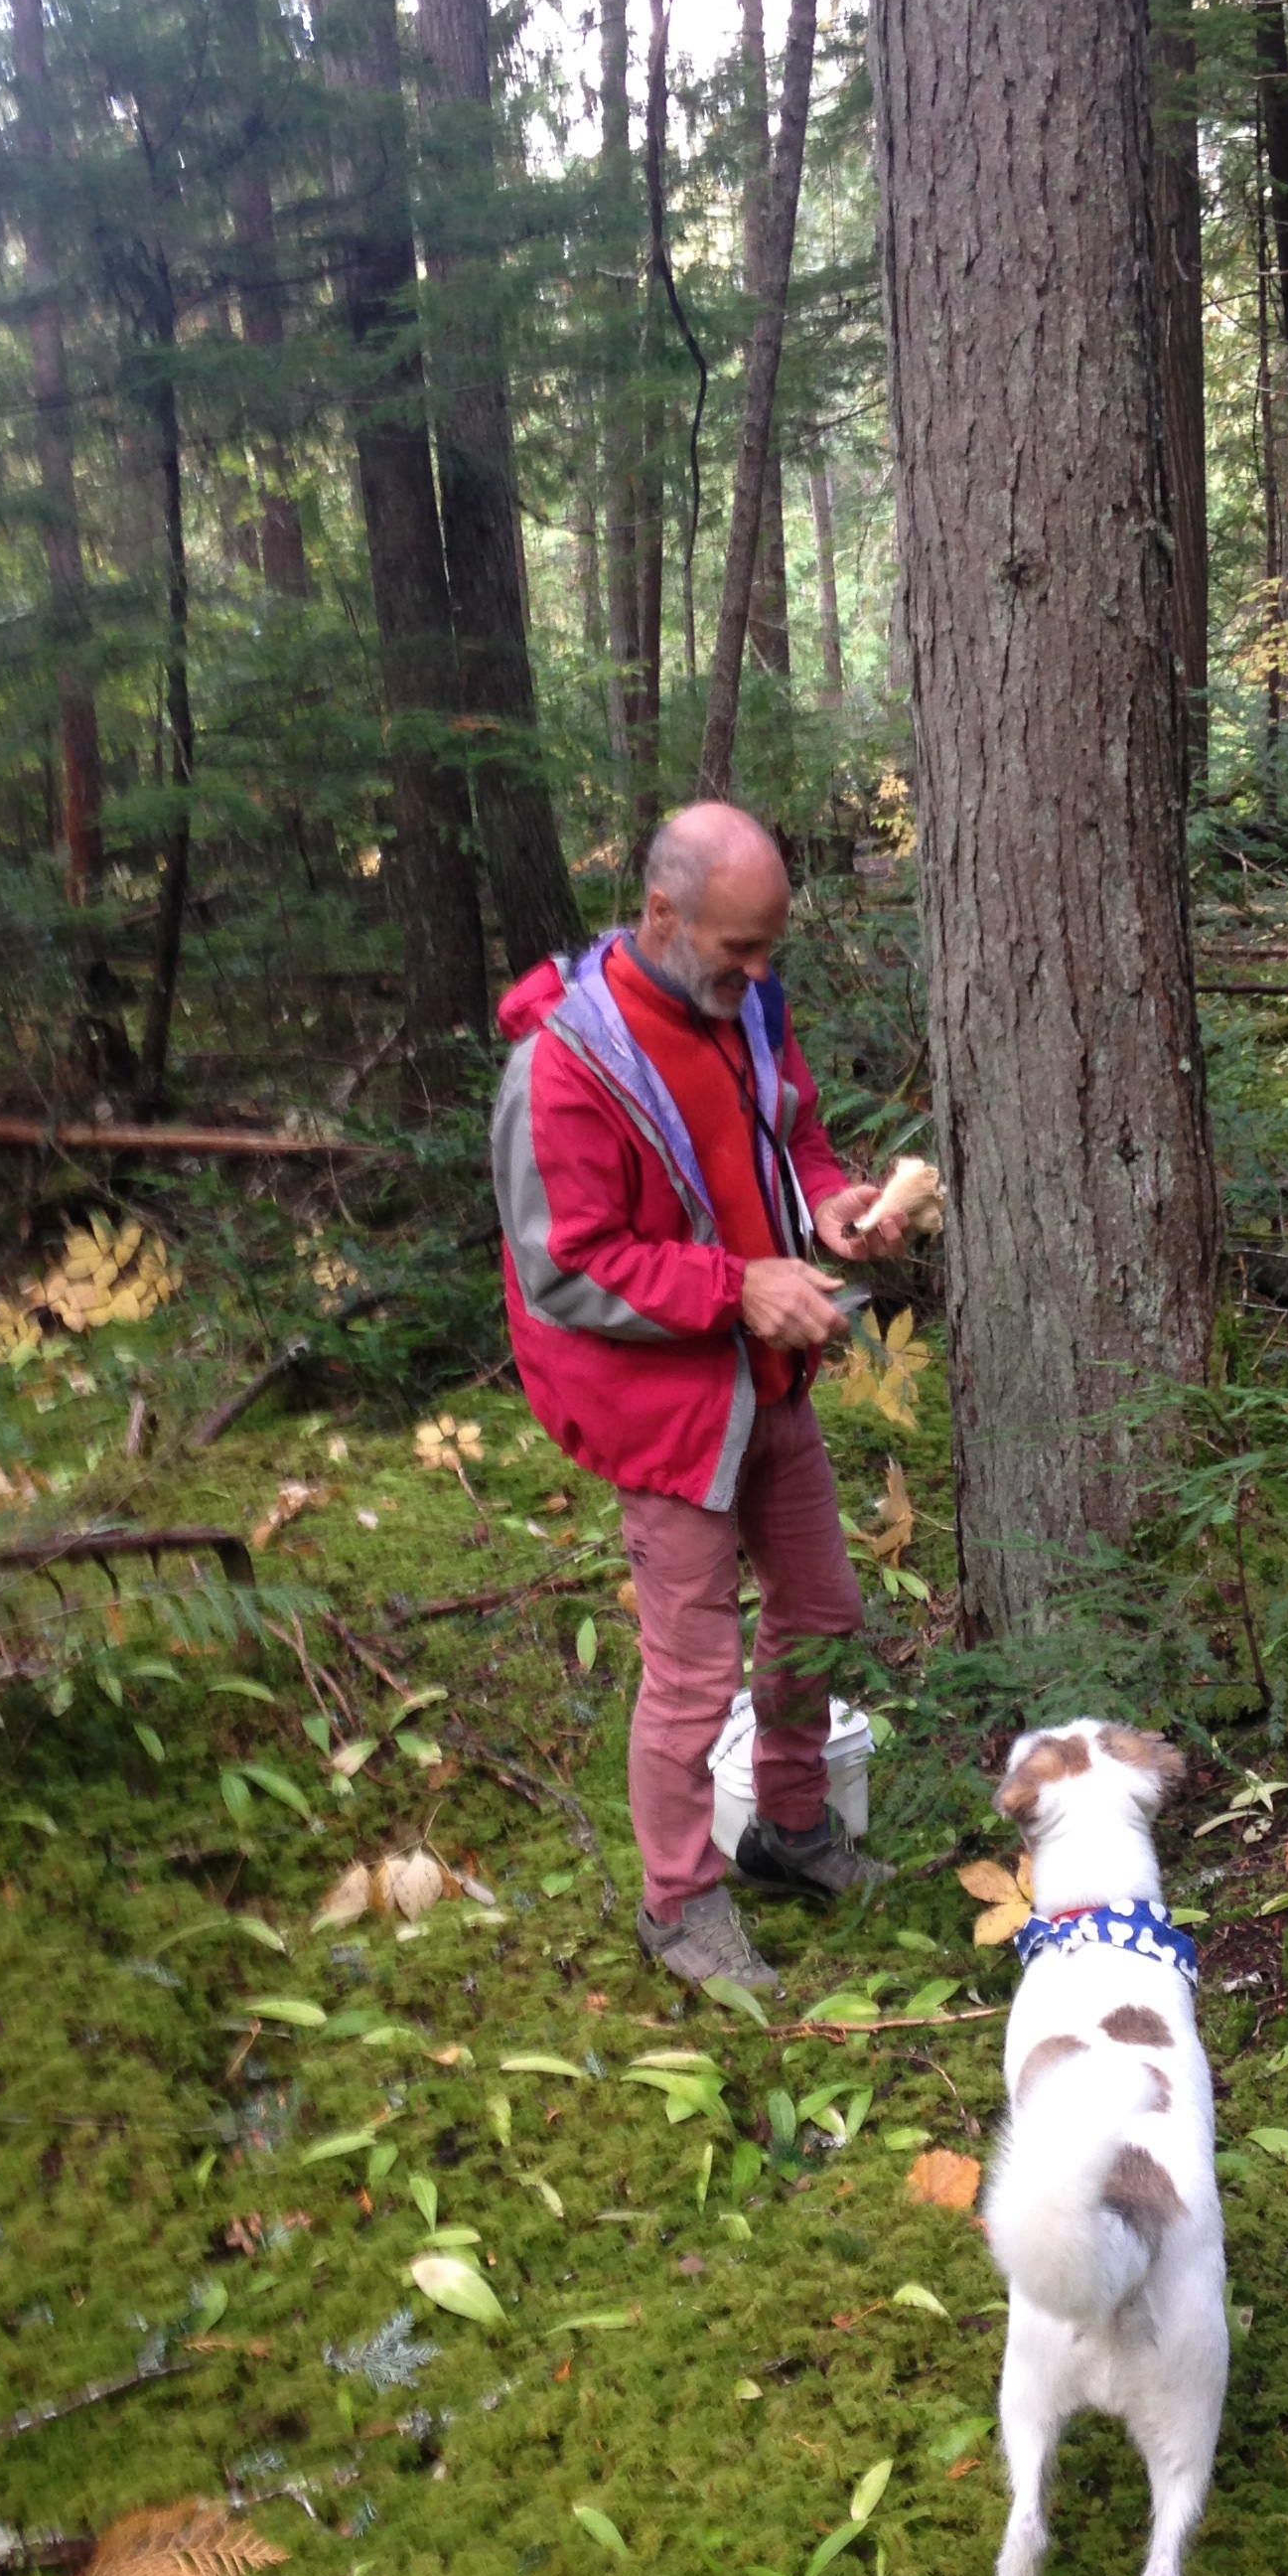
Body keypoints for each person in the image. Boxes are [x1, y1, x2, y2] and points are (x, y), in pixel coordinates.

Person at [492, 804, 914, 1992]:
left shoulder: (745, 1007)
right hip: (664, 1415)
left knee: (821, 1608)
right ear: (663, 913)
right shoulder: (568, 1063)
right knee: (691, 1675)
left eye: (770, 946)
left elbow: (796, 1131)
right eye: (739, 946)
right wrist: (738, 1287)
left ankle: (788, 1829)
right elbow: (565, 1264)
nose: (761, 971)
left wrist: (831, 1203)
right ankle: (678, 1904)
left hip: (770, 1373)